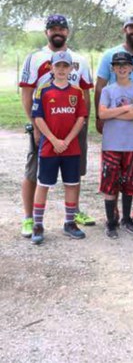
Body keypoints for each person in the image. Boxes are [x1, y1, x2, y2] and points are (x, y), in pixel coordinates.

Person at [19, 14, 96, 239]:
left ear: (67, 32)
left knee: (74, 172)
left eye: (61, 28)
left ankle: (73, 214)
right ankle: (29, 218)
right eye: (53, 28)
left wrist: (85, 122)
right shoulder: (35, 58)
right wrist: (34, 125)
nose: (57, 32)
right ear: (46, 32)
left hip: (73, 125)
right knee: (35, 171)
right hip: (44, 124)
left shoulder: (79, 60)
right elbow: (26, 93)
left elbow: (85, 93)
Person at [95, 13, 133, 226]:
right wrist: (99, 116)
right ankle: (113, 214)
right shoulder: (110, 55)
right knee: (114, 169)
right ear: (125, 29)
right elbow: (100, 86)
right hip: (116, 126)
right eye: (132, 27)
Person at [29, 51, 88, 244]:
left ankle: (69, 222)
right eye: (58, 66)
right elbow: (38, 117)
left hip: (71, 147)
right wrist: (54, 140)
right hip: (49, 147)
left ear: (71, 68)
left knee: (72, 183)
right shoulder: (43, 91)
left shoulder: (77, 92)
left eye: (65, 66)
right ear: (51, 68)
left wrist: (68, 139)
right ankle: (38, 224)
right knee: (43, 184)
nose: (62, 70)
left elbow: (81, 118)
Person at [97, 52, 133, 238]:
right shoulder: (108, 90)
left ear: (132, 67)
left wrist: (112, 112)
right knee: (110, 183)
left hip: (131, 145)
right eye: (118, 65)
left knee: (129, 183)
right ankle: (111, 222)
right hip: (111, 144)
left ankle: (126, 218)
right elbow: (102, 115)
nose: (122, 67)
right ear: (113, 68)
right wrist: (125, 108)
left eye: (126, 64)